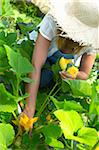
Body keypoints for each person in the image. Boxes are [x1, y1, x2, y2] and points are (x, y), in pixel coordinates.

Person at [22, 0, 99, 119]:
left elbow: (85, 74)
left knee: (52, 86)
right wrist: (29, 108)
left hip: (59, 69)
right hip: (35, 52)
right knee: (39, 78)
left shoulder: (92, 41)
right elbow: (35, 65)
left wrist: (75, 75)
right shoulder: (53, 21)